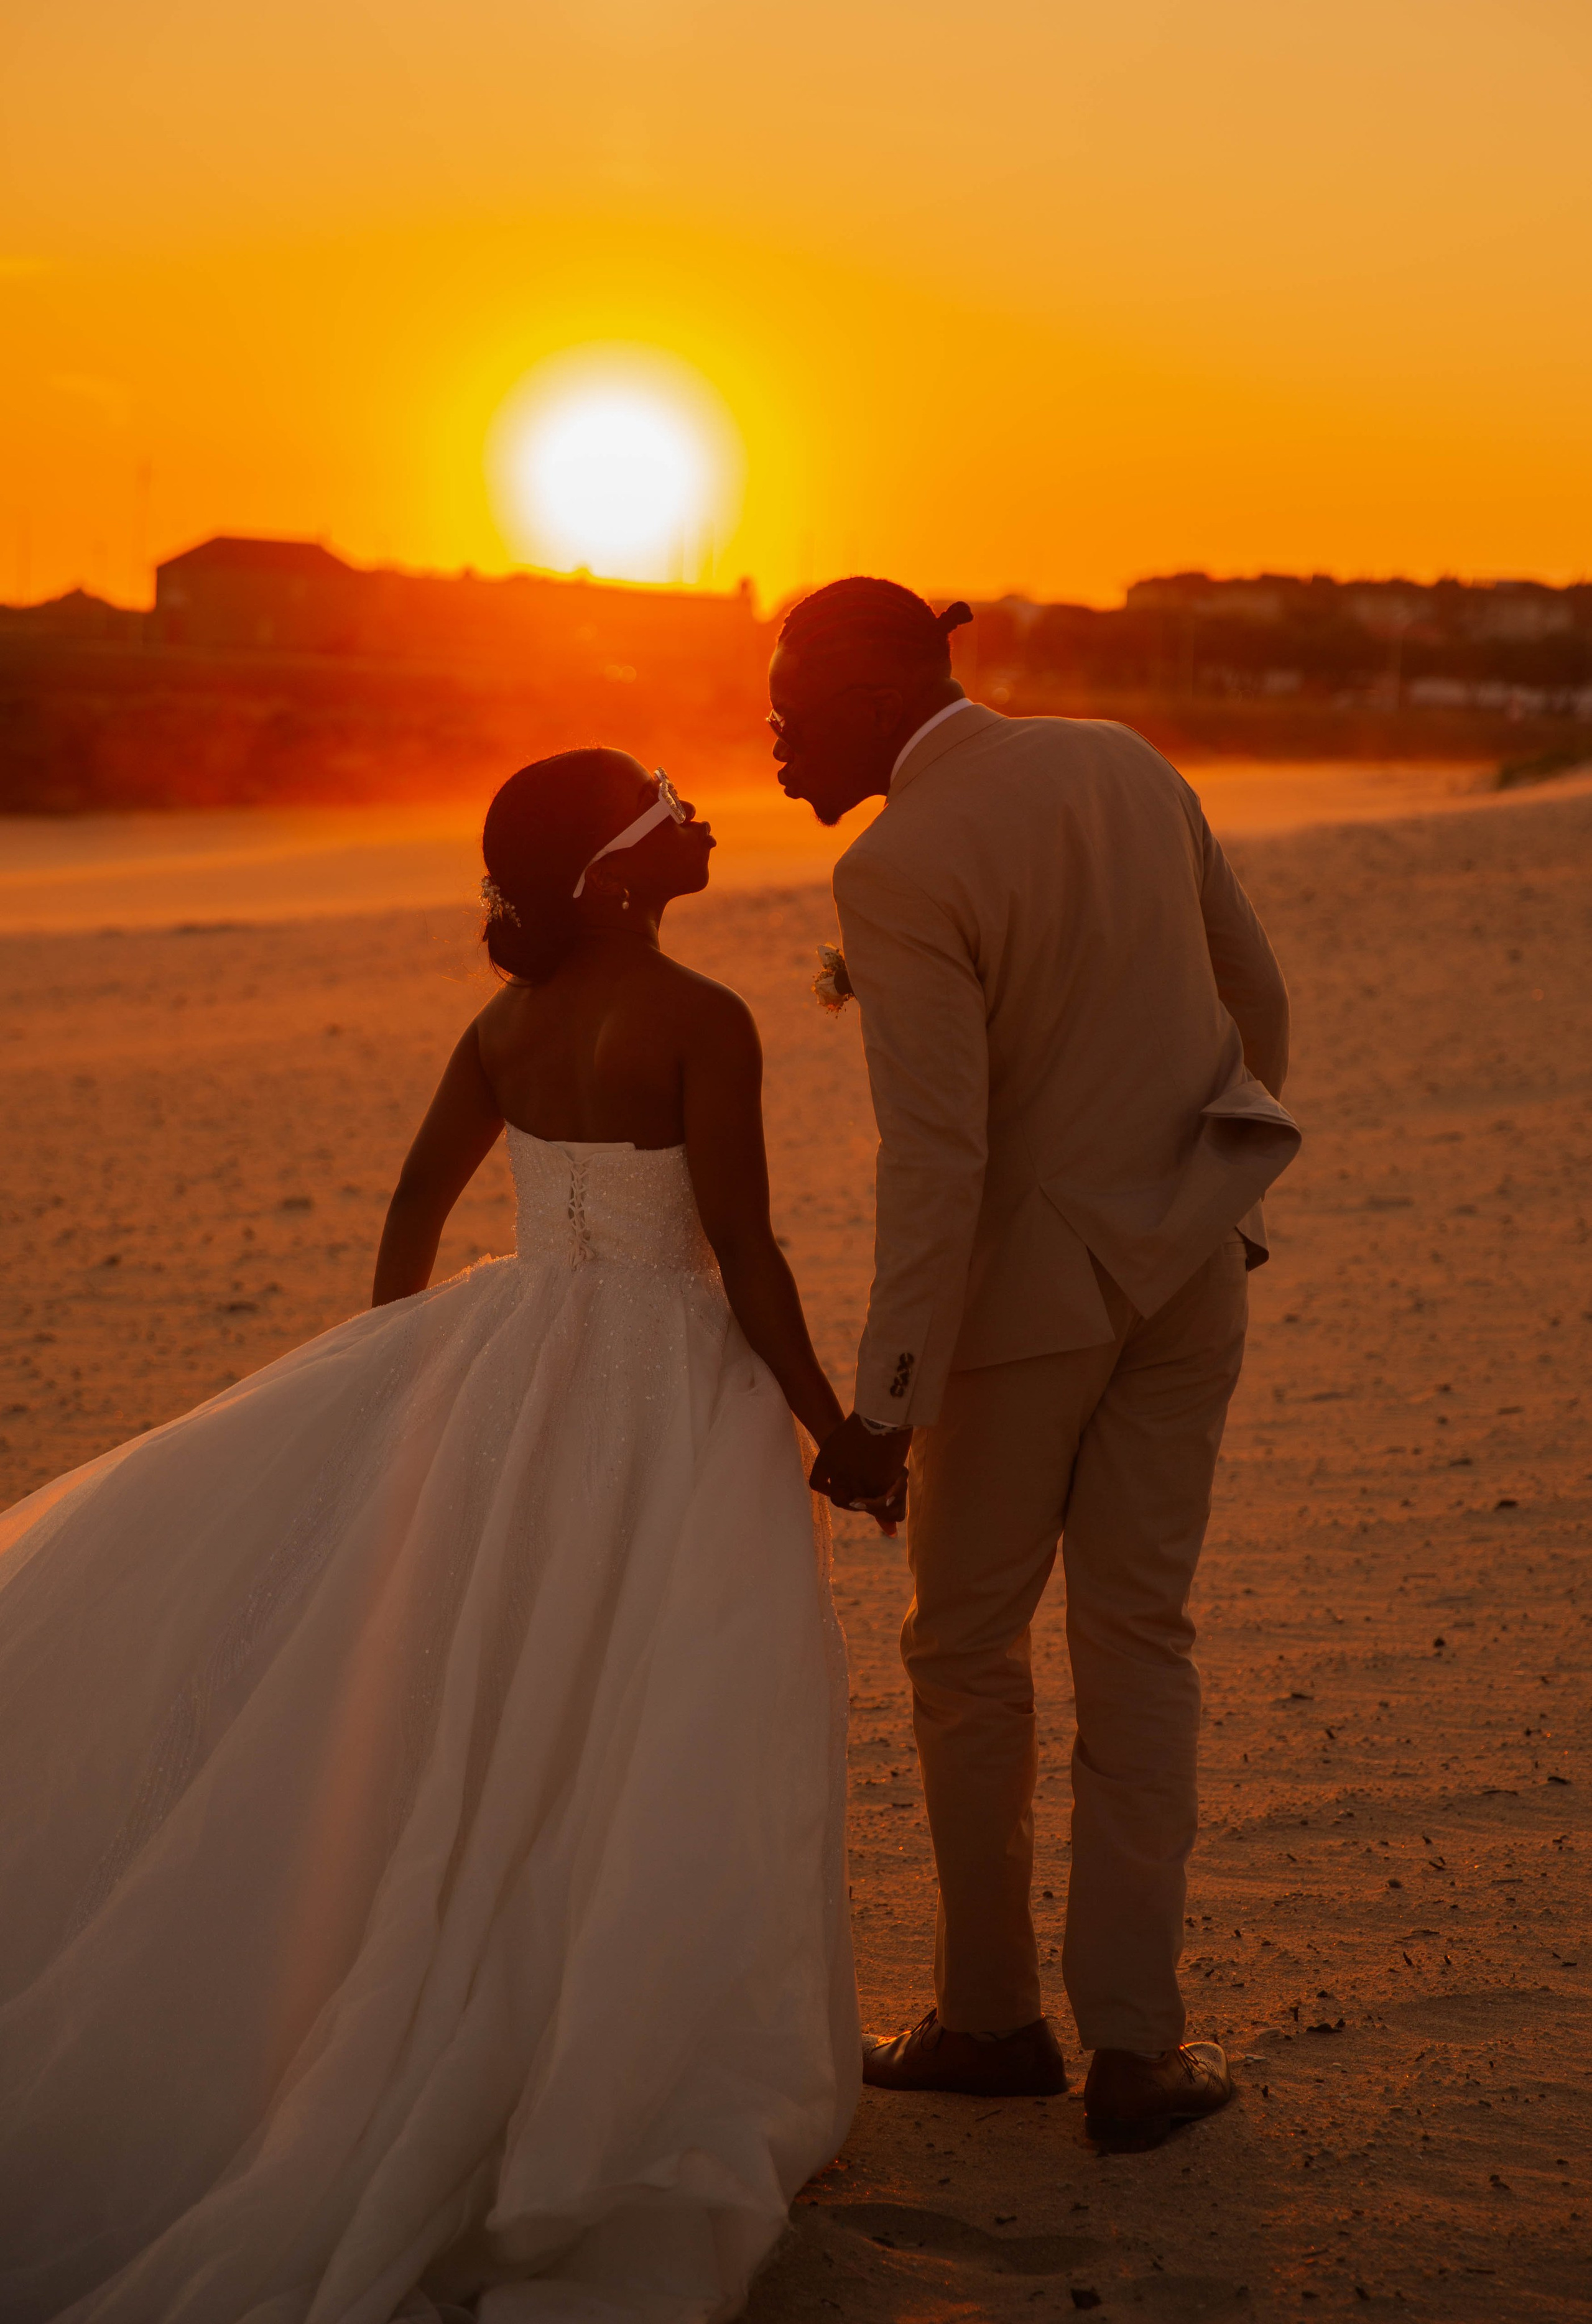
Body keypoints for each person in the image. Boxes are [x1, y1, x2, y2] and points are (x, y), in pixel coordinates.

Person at [0, 750, 860, 2323]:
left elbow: (413, 1208)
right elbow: (741, 1250)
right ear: (613, 872)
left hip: (511, 1367)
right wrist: (833, 1427)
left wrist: (391, 1379)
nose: (699, 817)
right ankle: (593, 2059)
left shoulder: (505, 1025)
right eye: (668, 808)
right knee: (639, 1696)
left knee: (503, 1685)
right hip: (660, 1383)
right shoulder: (702, 1021)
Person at [771, 578, 1300, 2149]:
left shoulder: (897, 862)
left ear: (877, 694)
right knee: (1141, 1642)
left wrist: (883, 1405)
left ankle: (991, 2019)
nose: (775, 734)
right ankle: (1140, 2048)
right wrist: (1199, 1187)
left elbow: (936, 1162)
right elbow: (1252, 1001)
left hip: (1019, 1319)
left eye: (792, 701)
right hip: (1188, 1273)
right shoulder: (1123, 761)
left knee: (966, 1654)